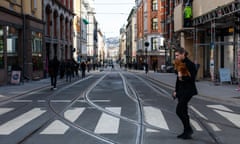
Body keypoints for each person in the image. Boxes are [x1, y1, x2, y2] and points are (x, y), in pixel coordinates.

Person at [172, 47, 198, 139]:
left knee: (179, 111)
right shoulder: (179, 63)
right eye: (175, 55)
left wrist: (181, 77)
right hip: (181, 91)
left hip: (188, 90)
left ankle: (188, 129)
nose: (176, 57)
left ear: (183, 54)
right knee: (184, 111)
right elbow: (178, 80)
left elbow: (192, 79)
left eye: (177, 55)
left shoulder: (190, 64)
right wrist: (175, 90)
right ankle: (186, 131)